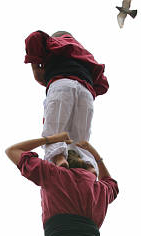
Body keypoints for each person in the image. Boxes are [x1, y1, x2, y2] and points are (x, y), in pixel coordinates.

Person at [24, 30, 108, 170]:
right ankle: (88, 167)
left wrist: (35, 65)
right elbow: (102, 84)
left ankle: (59, 157)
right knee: (81, 140)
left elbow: (34, 37)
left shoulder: (54, 43)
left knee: (54, 130)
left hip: (61, 85)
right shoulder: (86, 55)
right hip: (86, 93)